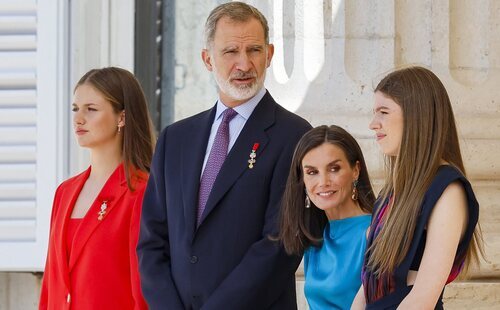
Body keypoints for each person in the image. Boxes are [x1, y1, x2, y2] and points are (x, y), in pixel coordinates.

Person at [137, 2, 312, 309]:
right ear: (207, 59)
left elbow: (281, 243)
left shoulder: (294, 135)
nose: (244, 64)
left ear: (269, 54)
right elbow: (152, 243)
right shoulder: (174, 140)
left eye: (254, 50)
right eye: (230, 52)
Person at [351, 66, 484, 309]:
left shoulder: (448, 190)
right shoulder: (390, 193)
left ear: (416, 116)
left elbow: (422, 298)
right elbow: (367, 287)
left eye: (383, 112)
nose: (373, 124)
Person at [39, 67, 155, 310]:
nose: (78, 119)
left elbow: (142, 290)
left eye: (90, 109)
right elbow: (51, 285)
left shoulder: (140, 192)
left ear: (121, 117)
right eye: (75, 109)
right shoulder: (64, 192)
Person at [277, 125, 375, 309]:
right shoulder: (316, 235)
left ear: (356, 170)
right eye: (312, 172)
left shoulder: (374, 232)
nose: (323, 182)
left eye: (334, 169)